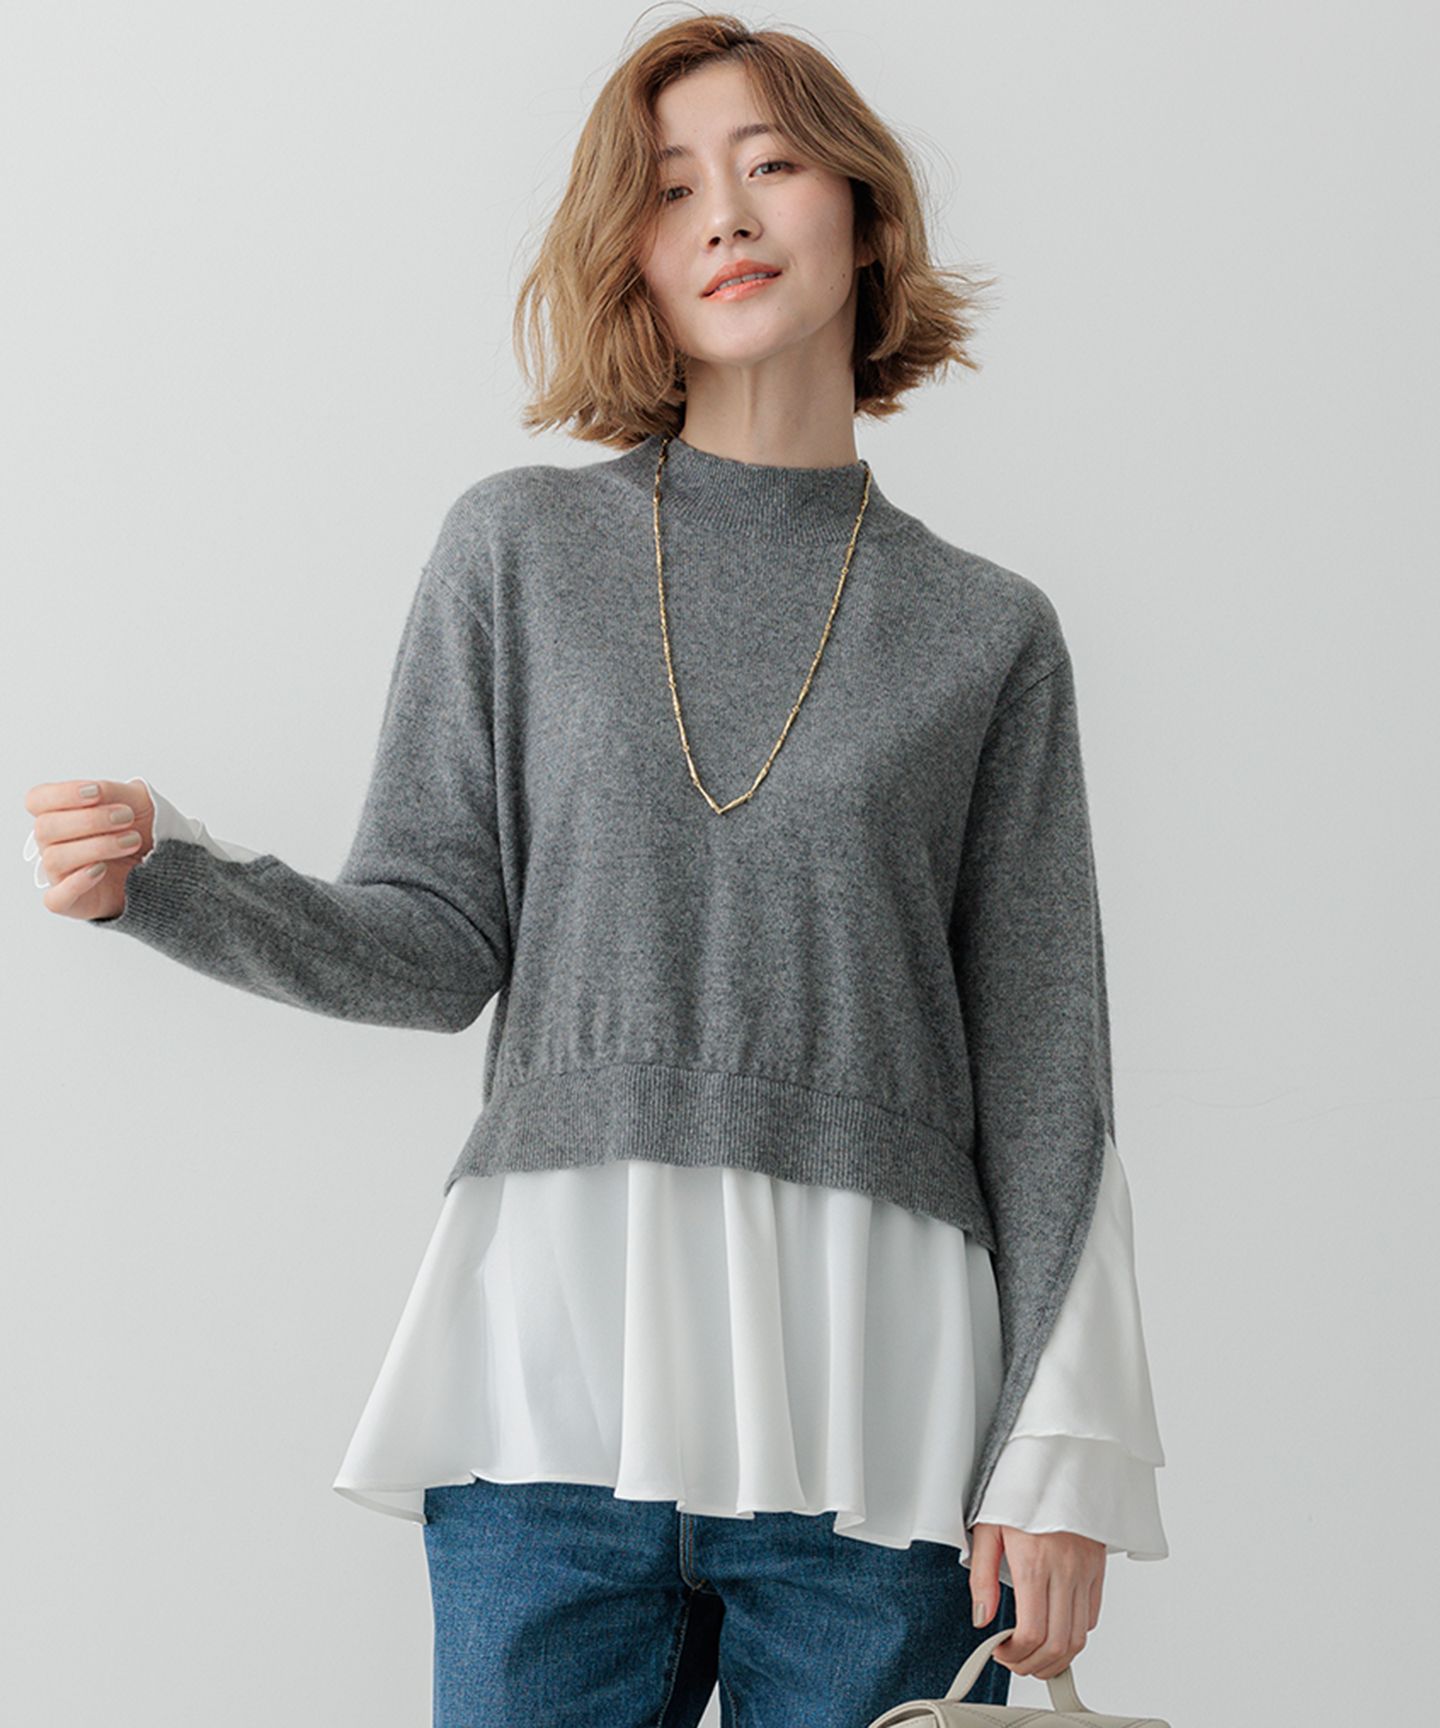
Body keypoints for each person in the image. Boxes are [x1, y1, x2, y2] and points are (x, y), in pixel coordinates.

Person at [22, 12, 1167, 1725]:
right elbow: (430, 941)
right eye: (673, 186)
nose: (728, 216)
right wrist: (170, 878)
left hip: (880, 1427)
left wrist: (1062, 1453)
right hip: (549, 1401)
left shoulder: (987, 633)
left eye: (772, 165)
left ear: (864, 214)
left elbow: (1047, 1067)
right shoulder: (520, 552)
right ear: (628, 251)